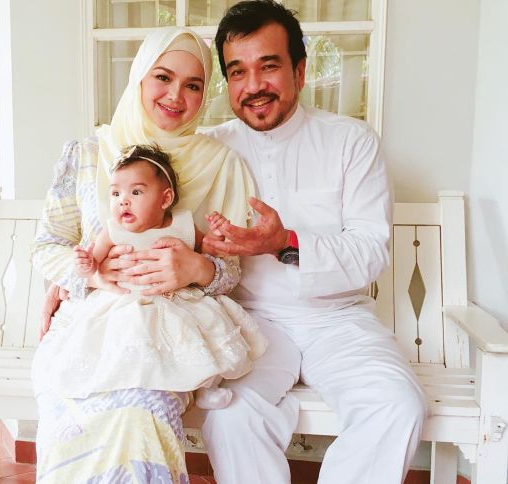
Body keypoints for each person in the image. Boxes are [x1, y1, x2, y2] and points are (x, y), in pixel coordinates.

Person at [195, 2, 428, 484]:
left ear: (299, 71)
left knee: (397, 406)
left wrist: (284, 243)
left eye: (269, 66)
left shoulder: (352, 142)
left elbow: (371, 251)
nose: (253, 85)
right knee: (231, 414)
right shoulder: (209, 151)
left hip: (338, 318)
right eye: (238, 72)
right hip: (249, 321)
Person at [30, 26, 256, 483]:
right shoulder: (88, 154)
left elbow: (231, 269)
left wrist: (197, 268)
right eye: (163, 77)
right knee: (73, 412)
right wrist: (90, 276)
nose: (176, 95)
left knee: (139, 419)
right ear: (139, 77)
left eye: (193, 85)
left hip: (165, 331)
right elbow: (48, 244)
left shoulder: (220, 163)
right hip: (90, 328)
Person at [50, 143, 266, 408]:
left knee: (194, 338)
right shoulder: (112, 231)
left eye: (136, 192)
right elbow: (93, 265)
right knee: (126, 335)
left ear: (165, 199)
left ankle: (204, 387)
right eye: (115, 193)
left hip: (178, 300)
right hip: (126, 301)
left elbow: (206, 251)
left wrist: (215, 237)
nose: (123, 201)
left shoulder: (182, 223)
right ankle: (114, 385)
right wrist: (85, 264)